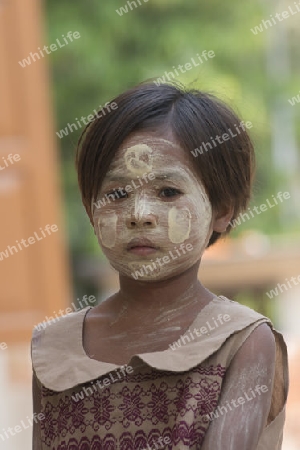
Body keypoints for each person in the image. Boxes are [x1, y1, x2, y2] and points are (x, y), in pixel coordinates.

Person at [31, 82, 288, 449]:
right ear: (91, 209)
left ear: (222, 210)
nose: (139, 215)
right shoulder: (53, 346)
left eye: (168, 192)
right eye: (117, 194)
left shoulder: (241, 340)